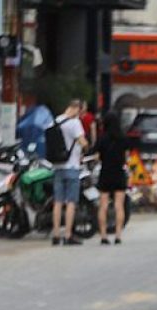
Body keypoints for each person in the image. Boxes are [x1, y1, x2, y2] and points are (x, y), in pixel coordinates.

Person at [51, 99, 88, 246]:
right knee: (71, 202)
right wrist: (86, 147)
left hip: (57, 167)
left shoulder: (55, 121)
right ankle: (67, 234)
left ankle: (55, 234)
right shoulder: (75, 123)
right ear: (77, 109)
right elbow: (82, 142)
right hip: (71, 166)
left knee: (58, 202)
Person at [94, 111, 129, 245]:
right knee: (119, 205)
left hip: (105, 173)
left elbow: (96, 155)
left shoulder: (102, 138)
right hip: (119, 173)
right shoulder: (123, 138)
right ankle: (118, 235)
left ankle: (103, 235)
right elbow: (126, 156)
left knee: (103, 205)